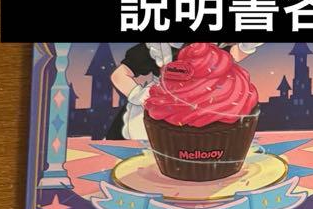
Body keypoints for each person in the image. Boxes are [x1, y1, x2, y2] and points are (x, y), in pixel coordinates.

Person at [108, 42, 262, 140]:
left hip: (205, 103)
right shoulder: (155, 48)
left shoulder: (211, 49)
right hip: (161, 106)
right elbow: (119, 75)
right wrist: (143, 97)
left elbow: (231, 56)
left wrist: (246, 46)